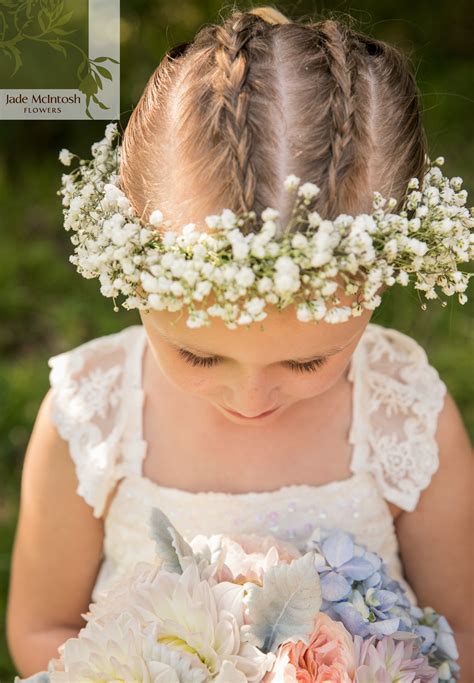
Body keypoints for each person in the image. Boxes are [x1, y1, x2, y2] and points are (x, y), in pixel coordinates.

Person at [6, 5, 473, 681]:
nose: (251, 397)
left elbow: (458, 627)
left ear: (377, 287)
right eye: (198, 353)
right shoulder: (91, 415)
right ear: (134, 275)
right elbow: (40, 625)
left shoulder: (405, 415)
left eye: (309, 358)